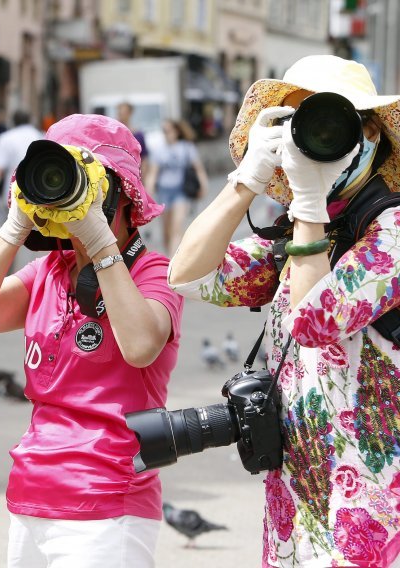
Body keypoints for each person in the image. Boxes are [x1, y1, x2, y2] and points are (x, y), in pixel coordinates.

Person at [168, 55, 400, 567]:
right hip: (294, 509)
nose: (321, 137)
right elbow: (189, 276)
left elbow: (314, 323)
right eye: (304, 121)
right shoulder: (295, 232)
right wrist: (245, 181)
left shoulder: (393, 233)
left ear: (373, 136)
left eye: (341, 121)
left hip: (375, 516)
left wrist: (311, 207)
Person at [0, 114, 183, 568]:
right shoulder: (48, 272)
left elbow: (140, 345)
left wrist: (101, 244)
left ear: (118, 194)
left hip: (109, 503)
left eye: (82, 185)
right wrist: (13, 227)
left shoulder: (154, 272)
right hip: (31, 495)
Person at [145, 119, 209, 255]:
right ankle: (169, 257)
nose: (166, 134)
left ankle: (173, 261)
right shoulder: (159, 150)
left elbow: (198, 168)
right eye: (164, 131)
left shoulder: (186, 147)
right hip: (164, 192)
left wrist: (203, 184)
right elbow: (153, 173)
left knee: (176, 228)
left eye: (168, 130)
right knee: (166, 231)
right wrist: (148, 192)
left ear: (176, 131)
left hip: (181, 192)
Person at [0, 109, 43, 228]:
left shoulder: (6, 138)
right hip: (40, 197)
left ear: (13, 121)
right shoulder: (41, 136)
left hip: (13, 196)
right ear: (30, 120)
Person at [116, 101, 150, 180]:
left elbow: (143, 157)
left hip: (133, 173)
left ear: (130, 113)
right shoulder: (115, 133)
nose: (121, 115)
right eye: (119, 112)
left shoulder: (138, 135)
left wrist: (142, 177)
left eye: (124, 112)